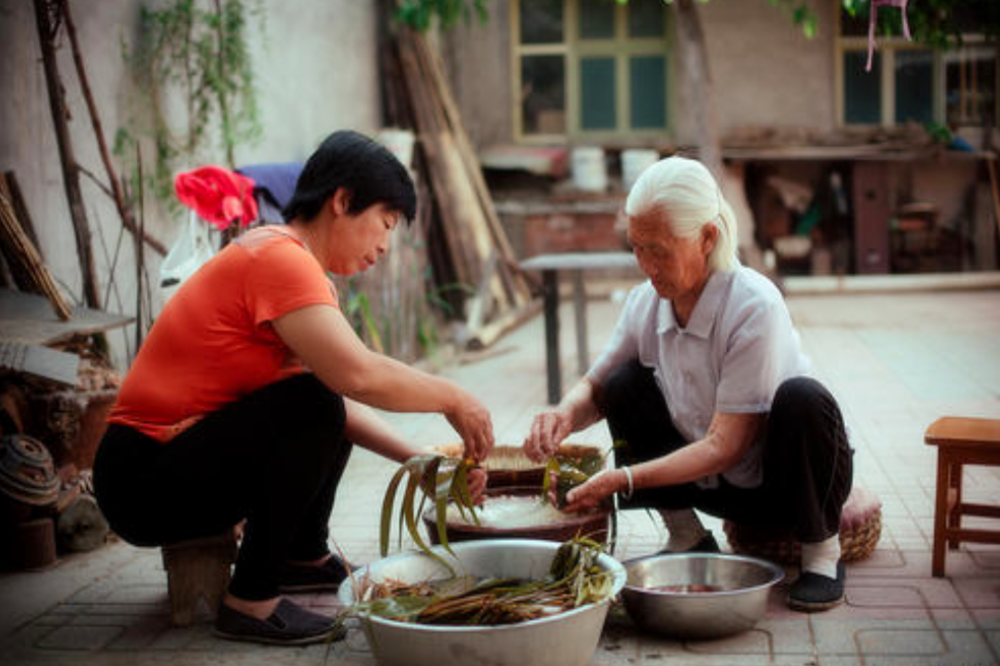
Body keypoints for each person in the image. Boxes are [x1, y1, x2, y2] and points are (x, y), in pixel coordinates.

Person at [94, 130, 494, 645]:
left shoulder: (292, 265)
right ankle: (251, 601)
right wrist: (455, 397)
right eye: (386, 223)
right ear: (343, 200)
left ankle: (302, 555)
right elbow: (356, 375)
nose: (386, 245)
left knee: (316, 401)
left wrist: (423, 465)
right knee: (313, 401)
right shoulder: (278, 259)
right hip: (140, 477)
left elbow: (339, 403)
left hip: (161, 468)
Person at [523, 155, 853, 612]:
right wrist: (562, 414)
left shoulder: (753, 304)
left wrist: (624, 479)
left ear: (707, 238)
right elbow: (597, 387)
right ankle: (688, 536)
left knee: (804, 398)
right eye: (637, 247)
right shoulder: (646, 302)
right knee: (623, 384)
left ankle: (821, 553)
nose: (645, 264)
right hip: (716, 487)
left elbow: (726, 446)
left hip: (788, 486)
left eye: (658, 249)